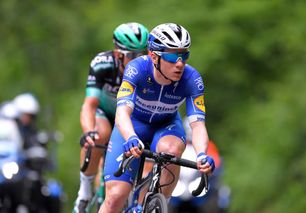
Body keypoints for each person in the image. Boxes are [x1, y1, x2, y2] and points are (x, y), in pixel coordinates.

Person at [99, 23, 215, 213]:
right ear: (153, 55)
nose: (180, 63)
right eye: (172, 56)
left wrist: (202, 154)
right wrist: (130, 137)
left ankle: (156, 204)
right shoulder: (137, 69)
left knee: (172, 150)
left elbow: (198, 125)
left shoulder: (192, 79)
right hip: (134, 125)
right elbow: (122, 113)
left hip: (166, 125)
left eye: (184, 55)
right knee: (114, 198)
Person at [73, 22, 149, 213]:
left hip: (132, 118)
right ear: (118, 55)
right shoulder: (103, 63)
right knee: (98, 135)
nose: (139, 60)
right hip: (105, 115)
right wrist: (88, 132)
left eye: (144, 54)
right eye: (132, 56)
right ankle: (84, 192)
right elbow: (89, 105)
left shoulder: (151, 69)